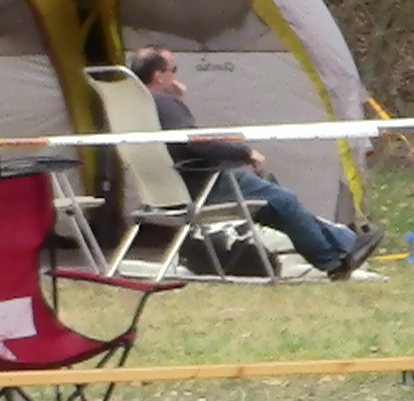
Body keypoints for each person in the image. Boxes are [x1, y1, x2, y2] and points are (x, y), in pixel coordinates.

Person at [129, 46, 383, 281]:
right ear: (158, 76)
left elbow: (179, 144)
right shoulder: (164, 102)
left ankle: (344, 246)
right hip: (207, 183)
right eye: (173, 71)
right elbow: (196, 143)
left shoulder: (137, 108)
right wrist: (245, 152)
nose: (176, 77)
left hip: (176, 188)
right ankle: (332, 259)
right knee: (285, 201)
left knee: (275, 200)